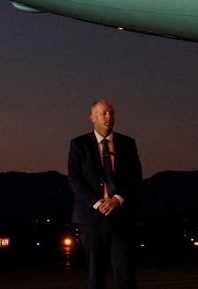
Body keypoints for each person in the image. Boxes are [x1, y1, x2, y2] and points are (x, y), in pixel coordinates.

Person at [68, 101, 143, 289]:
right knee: (95, 277)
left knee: (126, 276)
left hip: (121, 217)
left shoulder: (127, 143)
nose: (109, 117)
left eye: (111, 113)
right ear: (92, 118)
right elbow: (75, 179)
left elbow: (135, 176)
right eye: (103, 113)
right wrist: (97, 202)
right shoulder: (79, 144)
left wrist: (117, 199)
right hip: (92, 218)